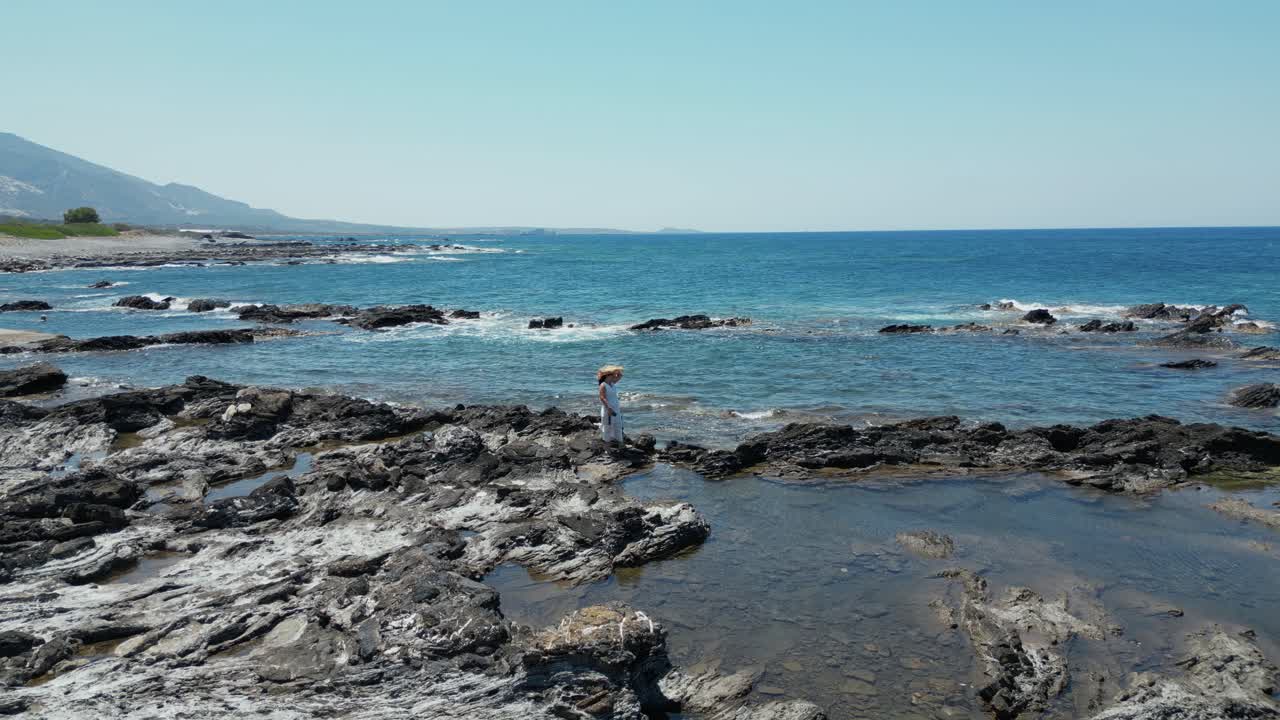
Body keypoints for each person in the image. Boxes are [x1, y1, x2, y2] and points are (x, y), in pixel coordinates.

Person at [597, 364, 625, 447]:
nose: (614, 376)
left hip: (616, 409)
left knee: (618, 426)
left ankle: (620, 445)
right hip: (608, 410)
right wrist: (609, 408)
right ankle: (607, 448)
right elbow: (602, 397)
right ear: (608, 376)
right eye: (613, 374)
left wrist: (617, 370)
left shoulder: (612, 384)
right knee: (607, 428)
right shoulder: (603, 385)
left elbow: (620, 376)